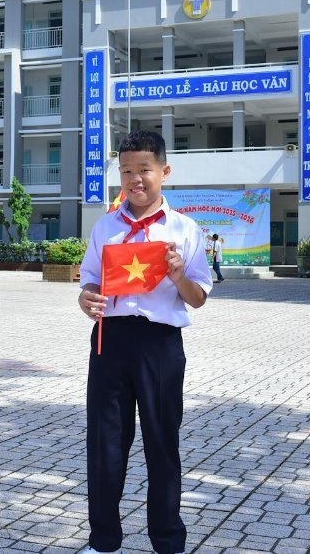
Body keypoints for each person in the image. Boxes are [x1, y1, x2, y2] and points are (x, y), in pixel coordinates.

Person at [77, 130, 213, 554]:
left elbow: (199, 298)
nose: (135, 180)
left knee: (162, 442)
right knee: (105, 444)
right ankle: (103, 541)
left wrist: (177, 275)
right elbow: (88, 284)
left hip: (160, 345)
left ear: (164, 172)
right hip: (110, 341)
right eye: (127, 171)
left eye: (144, 170)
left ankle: (168, 541)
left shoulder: (185, 229)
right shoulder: (104, 227)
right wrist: (87, 299)